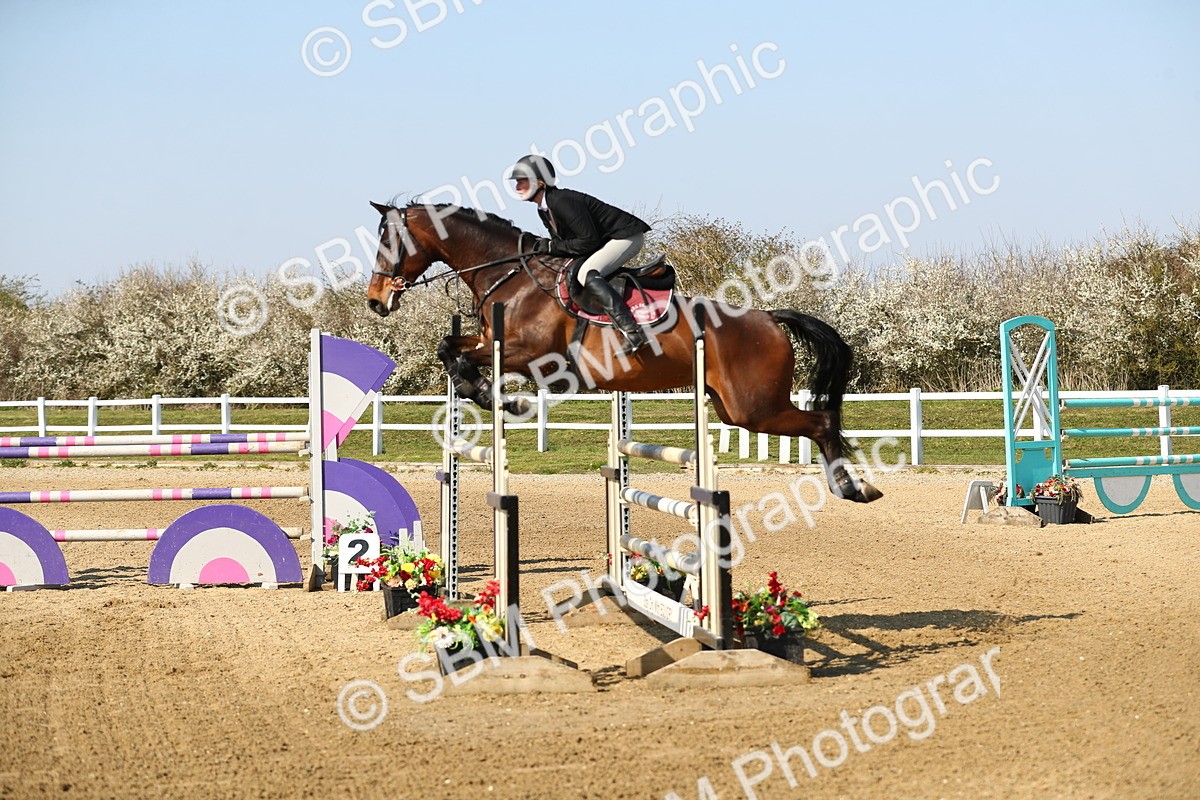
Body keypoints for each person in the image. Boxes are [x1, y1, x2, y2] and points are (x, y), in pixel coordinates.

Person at [509, 154, 650, 354]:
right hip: (603, 241)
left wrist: (550, 247)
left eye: (521, 181)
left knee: (587, 273)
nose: (517, 187)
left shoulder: (561, 200)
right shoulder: (544, 208)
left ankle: (632, 331)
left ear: (540, 182)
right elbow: (563, 243)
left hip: (624, 237)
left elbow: (587, 240)